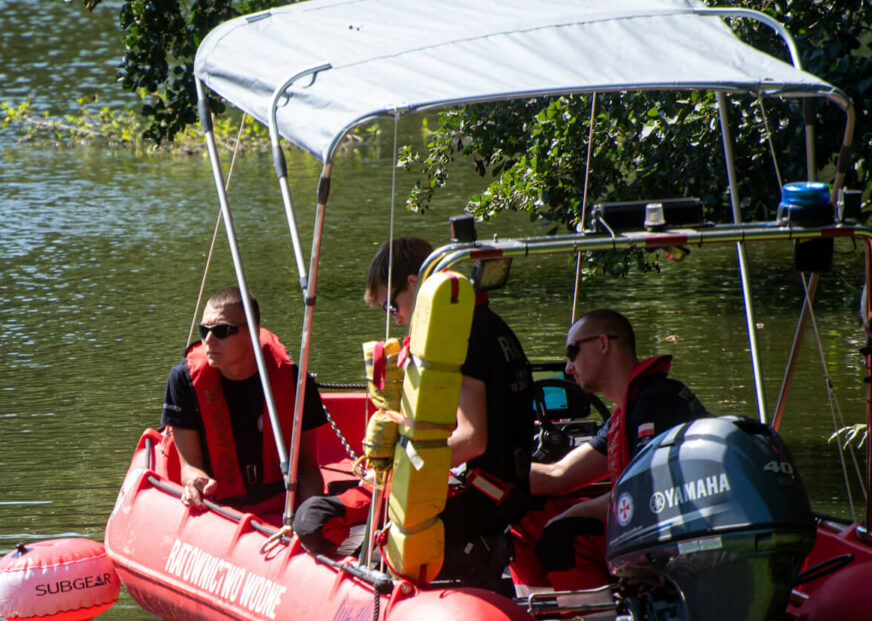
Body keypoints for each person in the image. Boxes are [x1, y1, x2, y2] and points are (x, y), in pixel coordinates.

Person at [295, 237, 534, 588]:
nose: (398, 318)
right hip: (481, 488)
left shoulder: (463, 334)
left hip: (481, 500)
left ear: (412, 283)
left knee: (313, 525)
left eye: (392, 307)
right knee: (317, 516)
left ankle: (476, 555)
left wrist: (400, 475)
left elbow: (472, 439)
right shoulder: (485, 324)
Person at [512, 308, 709, 589]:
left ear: (603, 344)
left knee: (563, 534)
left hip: (672, 532)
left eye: (572, 352)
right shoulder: (625, 410)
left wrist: (569, 515)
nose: (568, 368)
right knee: (522, 513)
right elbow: (559, 475)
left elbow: (644, 496)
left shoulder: (656, 402)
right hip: (642, 519)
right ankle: (539, 619)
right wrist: (493, 469)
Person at [161, 285, 328, 514]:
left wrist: (312, 514)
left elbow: (307, 468)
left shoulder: (295, 381)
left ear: (252, 332)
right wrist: (195, 481)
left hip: (282, 504)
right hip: (220, 508)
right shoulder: (183, 380)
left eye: (221, 331)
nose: (208, 340)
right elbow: (189, 466)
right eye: (204, 330)